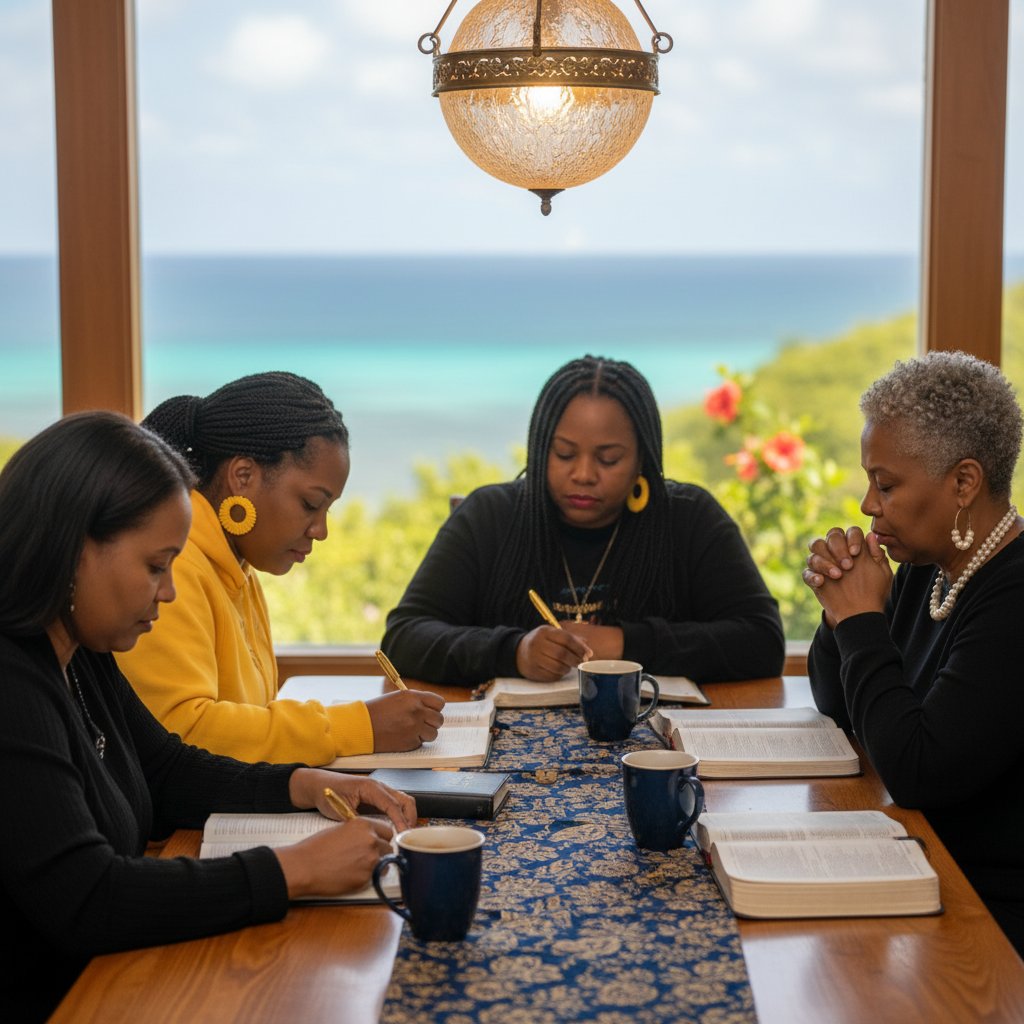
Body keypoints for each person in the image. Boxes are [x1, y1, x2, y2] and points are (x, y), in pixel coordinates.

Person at [0, 412, 417, 1021]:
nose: (168, 592)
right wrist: (291, 871)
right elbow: (88, 898)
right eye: (154, 566)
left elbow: (165, 770)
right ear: (72, 549)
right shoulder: (12, 685)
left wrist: (306, 783)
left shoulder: (78, 653)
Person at [802, 350, 1024, 955]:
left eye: (887, 484)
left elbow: (919, 771)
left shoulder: (1012, 599)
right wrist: (838, 611)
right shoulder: (933, 569)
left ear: (963, 482)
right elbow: (840, 705)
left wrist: (861, 623)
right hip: (919, 867)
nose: (870, 505)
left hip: (986, 918)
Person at [382, 355, 784, 686]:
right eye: (564, 454)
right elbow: (404, 638)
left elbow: (762, 642)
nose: (584, 474)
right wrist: (514, 651)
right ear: (540, 451)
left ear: (643, 458)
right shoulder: (490, 516)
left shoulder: (689, 518)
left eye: (608, 458)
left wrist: (624, 643)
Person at [116, 372, 444, 763]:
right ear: (243, 476)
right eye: (310, 504)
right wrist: (357, 727)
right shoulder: (176, 567)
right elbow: (182, 731)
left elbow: (247, 717)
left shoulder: (235, 564)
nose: (321, 530)